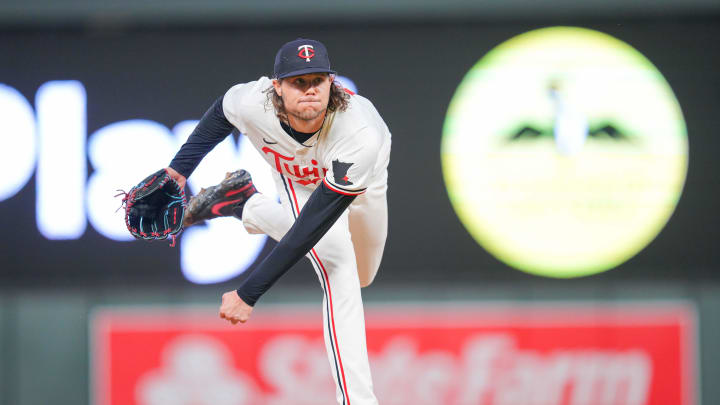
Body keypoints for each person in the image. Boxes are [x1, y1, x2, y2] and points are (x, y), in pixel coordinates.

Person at [166, 38, 391, 405]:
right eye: (298, 82)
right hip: (295, 177)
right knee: (339, 267)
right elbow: (223, 111)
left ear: (330, 83)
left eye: (317, 80)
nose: (309, 90)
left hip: (364, 180)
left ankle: (243, 202)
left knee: (364, 273)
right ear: (277, 87)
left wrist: (249, 292)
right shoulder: (254, 103)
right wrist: (178, 170)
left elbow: (311, 226)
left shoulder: (358, 134)